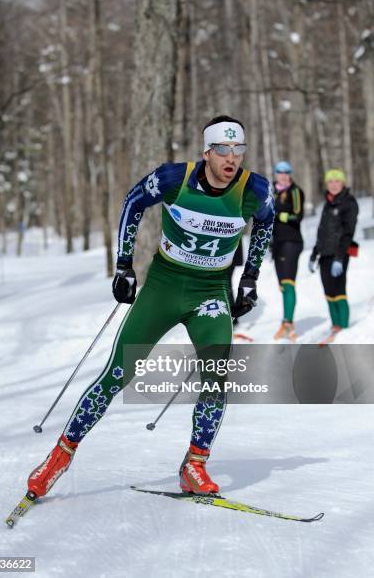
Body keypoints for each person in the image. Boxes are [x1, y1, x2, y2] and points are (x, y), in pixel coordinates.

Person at [26, 116, 274, 499]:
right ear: (207, 151)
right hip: (164, 287)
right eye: (222, 150)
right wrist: (124, 264)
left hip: (210, 295)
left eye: (238, 149)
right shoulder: (175, 178)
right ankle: (59, 456)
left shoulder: (255, 189)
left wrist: (251, 278)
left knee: (217, 378)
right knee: (116, 374)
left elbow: (266, 224)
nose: (231, 158)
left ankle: (194, 465)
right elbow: (133, 202)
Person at [309, 168, 358, 344]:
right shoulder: (328, 204)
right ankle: (335, 325)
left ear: (343, 183)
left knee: (338, 291)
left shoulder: (349, 202)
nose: (334, 184)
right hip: (324, 255)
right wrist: (314, 254)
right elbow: (322, 232)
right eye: (330, 181)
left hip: (340, 254)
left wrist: (339, 257)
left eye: (337, 181)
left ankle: (343, 327)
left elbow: (348, 233)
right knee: (328, 291)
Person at [271, 161, 304, 342]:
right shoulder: (272, 191)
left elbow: (298, 215)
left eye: (286, 172)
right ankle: (286, 321)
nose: (283, 175)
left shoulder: (295, 191)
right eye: (280, 172)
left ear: (290, 174)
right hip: (277, 243)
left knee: (288, 282)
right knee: (282, 285)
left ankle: (288, 322)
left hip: (292, 241)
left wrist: (282, 216)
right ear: (275, 173)